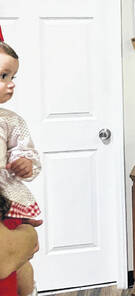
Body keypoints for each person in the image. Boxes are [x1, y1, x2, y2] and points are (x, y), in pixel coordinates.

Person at [0, 40, 42, 296]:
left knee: (20, 263)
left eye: (13, 76)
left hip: (8, 201)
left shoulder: (10, 121)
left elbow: (26, 151)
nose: (11, 83)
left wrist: (26, 163)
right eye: (3, 76)